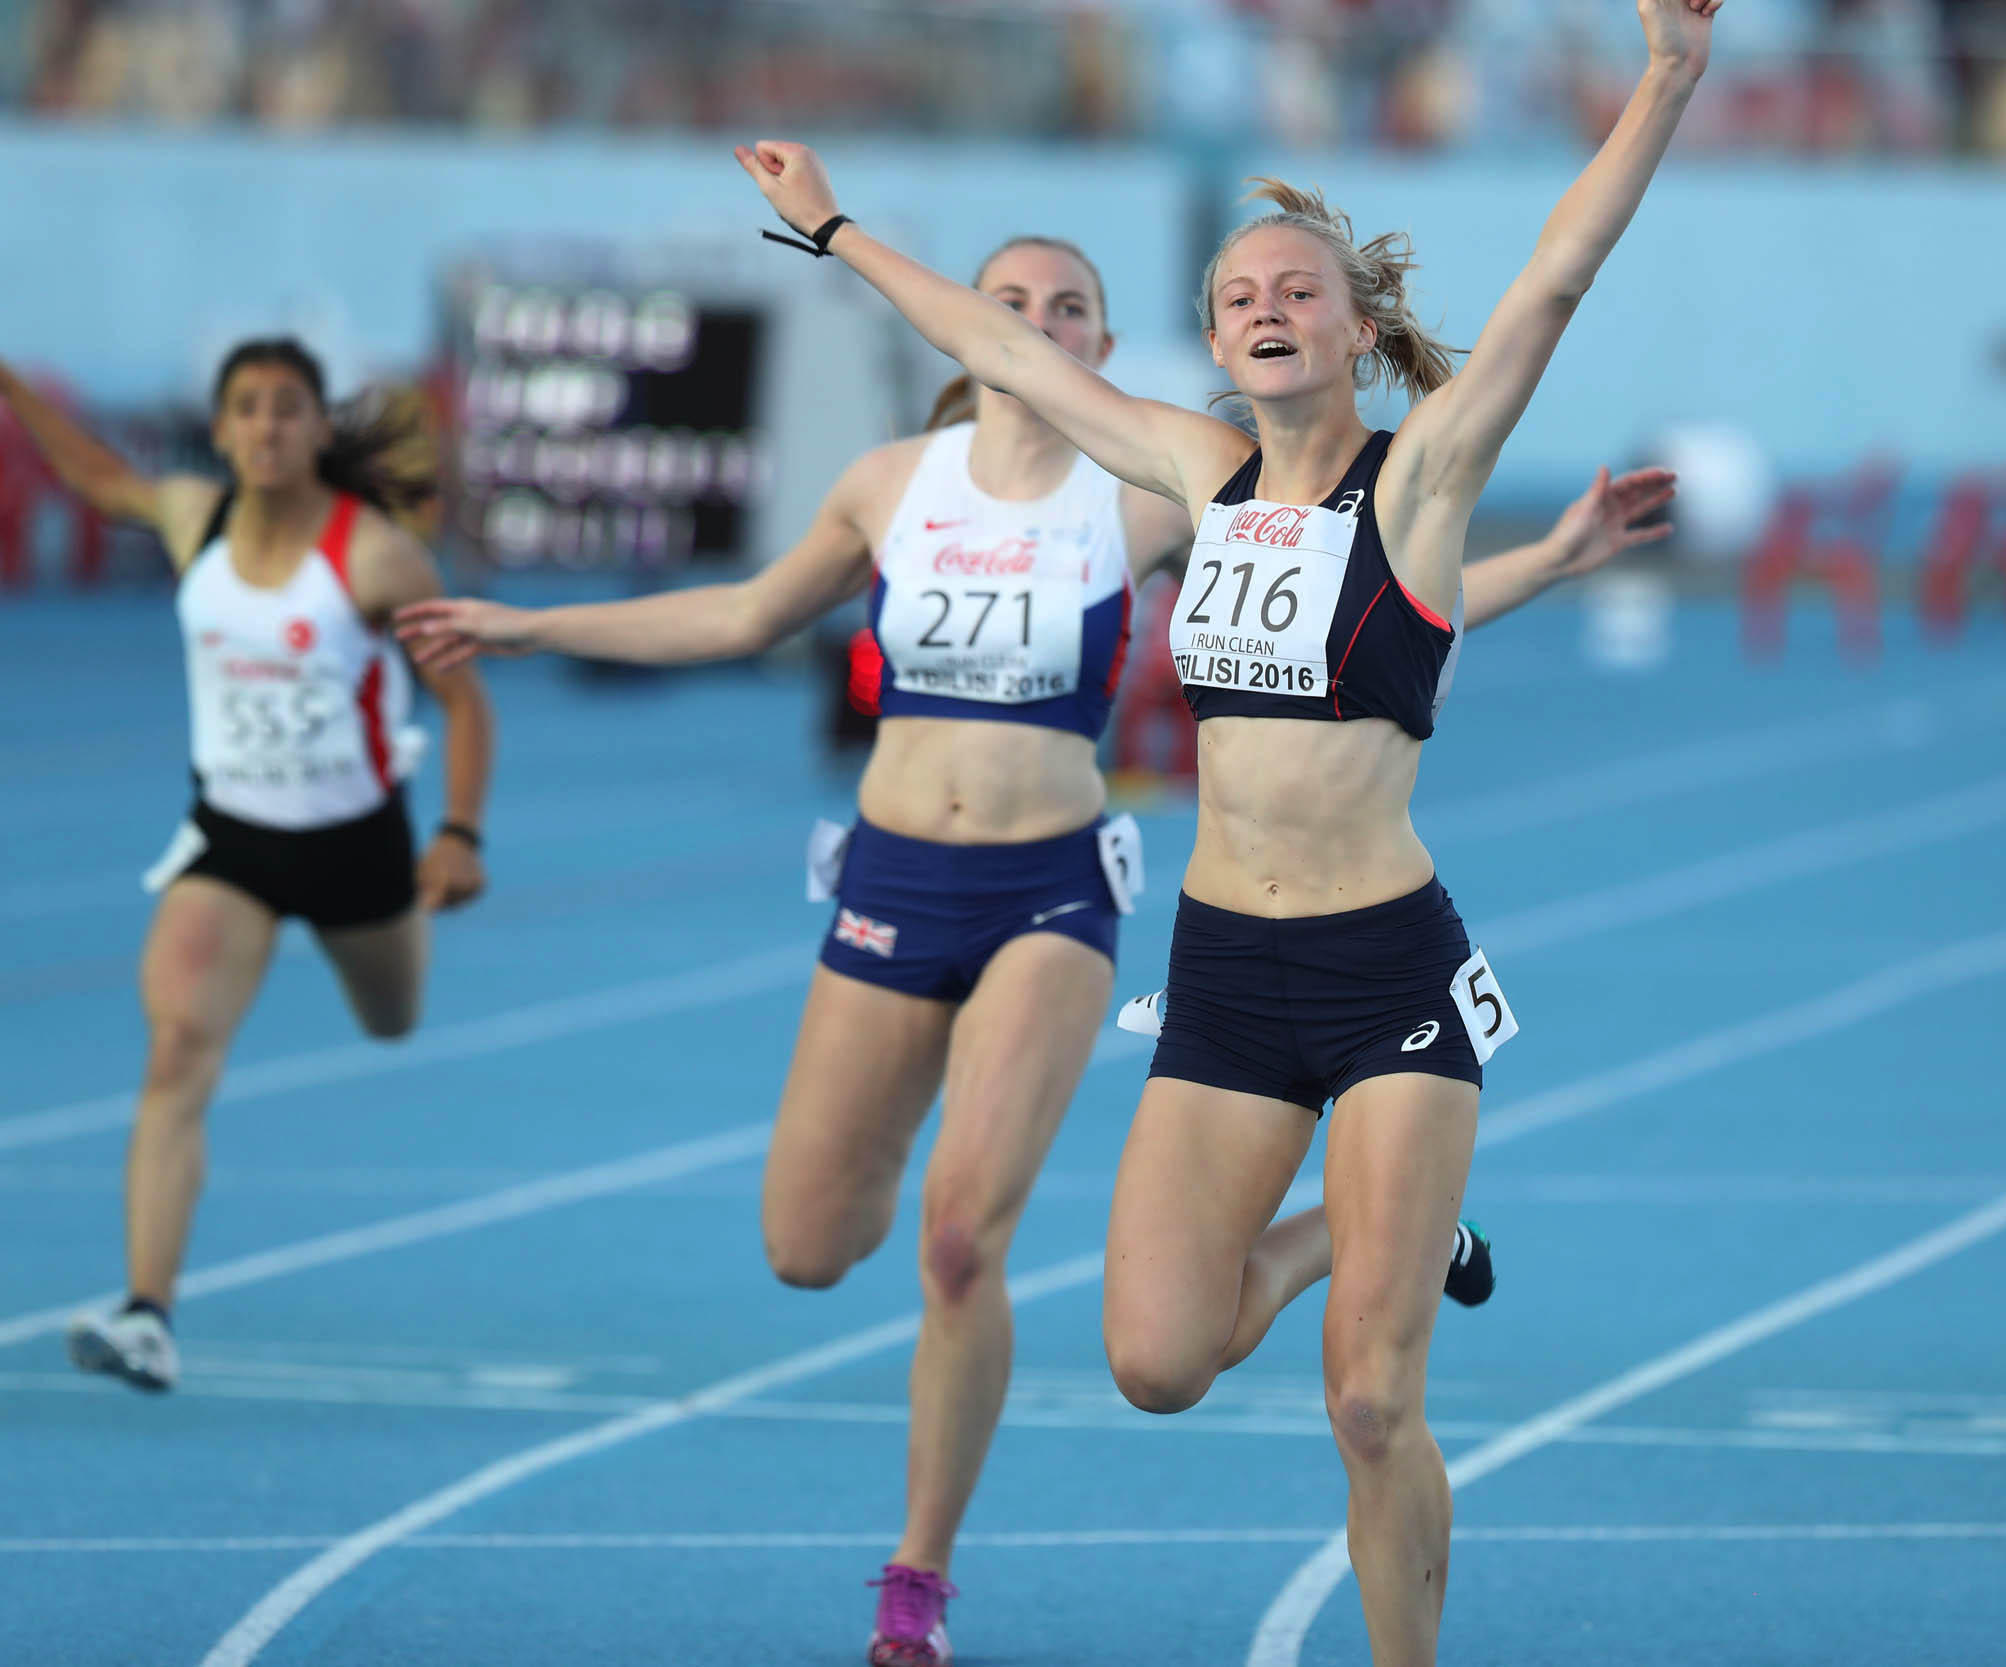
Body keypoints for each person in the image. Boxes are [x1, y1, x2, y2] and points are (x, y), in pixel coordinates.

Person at [397, 230, 1674, 1667]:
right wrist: (834, 235)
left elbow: (1401, 577)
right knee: (946, 1288)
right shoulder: (922, 481)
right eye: (1015, 306)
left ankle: (927, 1570)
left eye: (1072, 309)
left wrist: (1549, 553)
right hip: (971, 892)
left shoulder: (1143, 494)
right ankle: (1383, 1229)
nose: (1037, 328)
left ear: (1109, 344)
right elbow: (758, 602)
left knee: (1087, 1287)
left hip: (1105, 902)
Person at [731, 2, 1716, 1657]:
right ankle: (1386, 1232)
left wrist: (1668, 79)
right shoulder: (1198, 474)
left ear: (1356, 328)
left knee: (1371, 1402)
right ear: (1212, 335)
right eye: (1240, 295)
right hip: (1225, 974)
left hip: (1385, 975)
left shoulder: (1418, 480)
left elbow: (1555, 275)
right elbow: (1011, 356)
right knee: (1158, 1358)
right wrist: (834, 229)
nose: (1267, 308)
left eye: (1299, 291)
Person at [0, 339, 494, 1394]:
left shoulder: (376, 558)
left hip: (357, 841)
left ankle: (389, 940)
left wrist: (459, 832)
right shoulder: (196, 519)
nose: (266, 425)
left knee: (392, 1018)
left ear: (317, 428)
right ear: (220, 431)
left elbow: (464, 700)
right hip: (233, 837)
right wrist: (9, 383)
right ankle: (147, 1313)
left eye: (286, 407)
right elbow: (98, 477)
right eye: (247, 408)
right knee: (177, 1049)